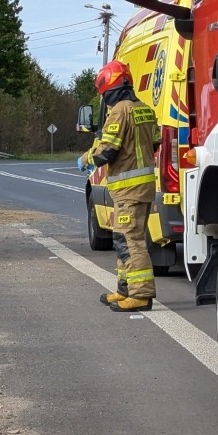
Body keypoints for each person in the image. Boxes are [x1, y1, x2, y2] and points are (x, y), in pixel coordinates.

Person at [78, 60, 159, 312]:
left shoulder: (120, 111)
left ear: (108, 90)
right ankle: (124, 289)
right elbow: (154, 143)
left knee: (130, 240)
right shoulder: (144, 109)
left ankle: (140, 295)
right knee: (123, 238)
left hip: (128, 189)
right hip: (142, 187)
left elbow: (108, 150)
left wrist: (86, 159)